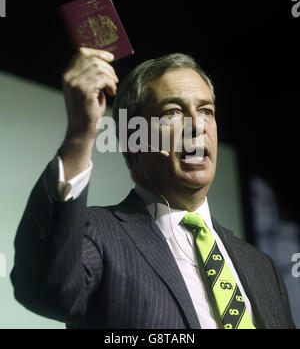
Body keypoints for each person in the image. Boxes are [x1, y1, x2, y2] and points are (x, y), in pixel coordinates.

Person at [11, 48, 295, 329]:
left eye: (206, 111)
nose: (197, 125)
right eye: (172, 111)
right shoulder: (94, 234)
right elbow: (45, 290)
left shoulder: (263, 267)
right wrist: (80, 133)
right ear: (133, 138)